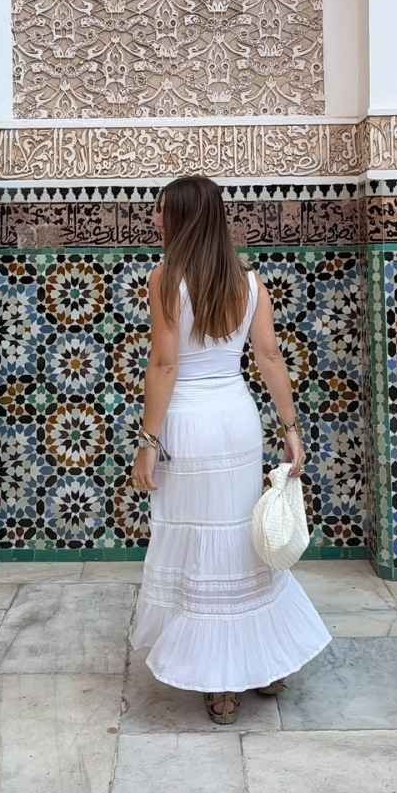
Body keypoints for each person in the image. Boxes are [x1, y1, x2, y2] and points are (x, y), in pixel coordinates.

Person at [129, 175, 332, 724]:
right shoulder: (250, 283)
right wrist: (290, 426)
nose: (155, 221)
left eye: (162, 213)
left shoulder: (165, 279)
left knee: (202, 546)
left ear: (184, 220)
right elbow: (268, 357)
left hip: (190, 426)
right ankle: (264, 664)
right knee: (244, 544)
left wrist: (147, 443)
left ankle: (222, 686)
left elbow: (166, 365)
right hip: (238, 423)